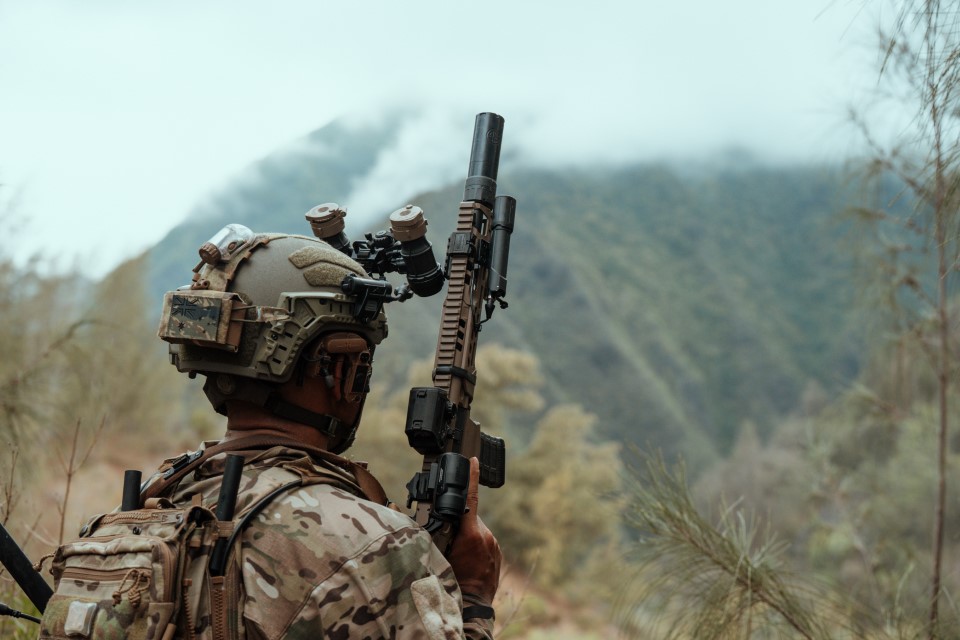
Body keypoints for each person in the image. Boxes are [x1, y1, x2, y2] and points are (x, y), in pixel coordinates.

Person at [149, 224, 501, 639]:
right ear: (342, 371)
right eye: (363, 364)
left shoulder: (151, 503)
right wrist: (475, 596)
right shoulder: (373, 548)